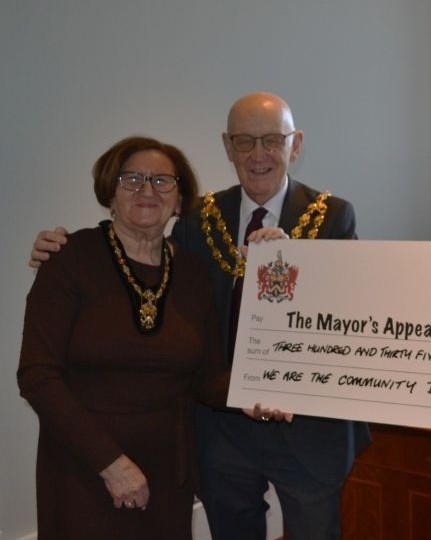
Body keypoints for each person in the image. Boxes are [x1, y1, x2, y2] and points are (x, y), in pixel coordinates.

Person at [32, 92, 370, 540]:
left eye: (272, 140)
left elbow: (346, 314)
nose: (258, 155)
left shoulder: (333, 216)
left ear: (296, 144)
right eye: (244, 142)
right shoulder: (198, 221)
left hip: (304, 432)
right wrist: (57, 244)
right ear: (227, 147)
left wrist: (297, 264)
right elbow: (151, 285)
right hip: (218, 433)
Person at [18, 136, 289, 540]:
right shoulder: (69, 259)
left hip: (168, 469)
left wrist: (254, 396)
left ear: (179, 201)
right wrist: (111, 463)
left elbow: (208, 376)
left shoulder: (194, 274)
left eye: (162, 181)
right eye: (133, 179)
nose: (147, 190)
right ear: (111, 193)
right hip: (83, 463)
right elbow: (38, 376)